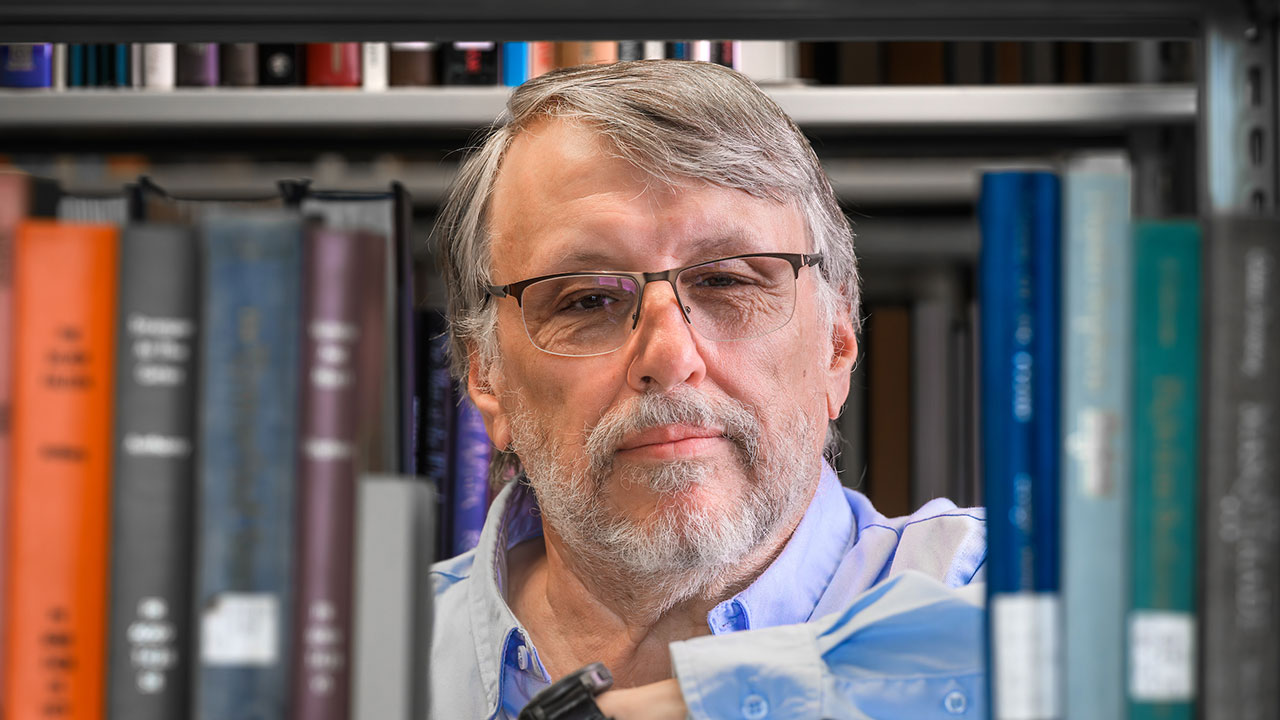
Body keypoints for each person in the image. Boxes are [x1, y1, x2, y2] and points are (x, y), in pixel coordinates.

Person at [430, 59, 987, 720]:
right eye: (585, 300)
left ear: (837, 347)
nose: (669, 358)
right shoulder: (348, 660)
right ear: (487, 379)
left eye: (727, 282)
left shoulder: (1000, 587)